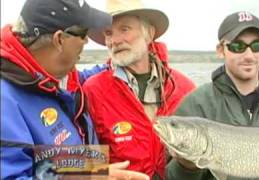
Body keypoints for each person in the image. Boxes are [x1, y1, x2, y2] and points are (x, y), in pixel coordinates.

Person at [0, 0, 149, 179]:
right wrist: (89, 176)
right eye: (83, 33)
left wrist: (126, 57)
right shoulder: (6, 102)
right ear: (59, 40)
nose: (87, 40)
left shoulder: (60, 77)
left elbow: (44, 165)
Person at [165, 11, 259, 180]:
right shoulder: (196, 103)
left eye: (257, 45)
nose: (249, 55)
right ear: (221, 50)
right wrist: (186, 166)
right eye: (238, 46)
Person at [83, 0, 196, 179]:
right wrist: (98, 173)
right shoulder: (93, 91)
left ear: (149, 34)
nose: (115, 40)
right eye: (108, 33)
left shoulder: (185, 89)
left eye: (125, 29)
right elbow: (76, 157)